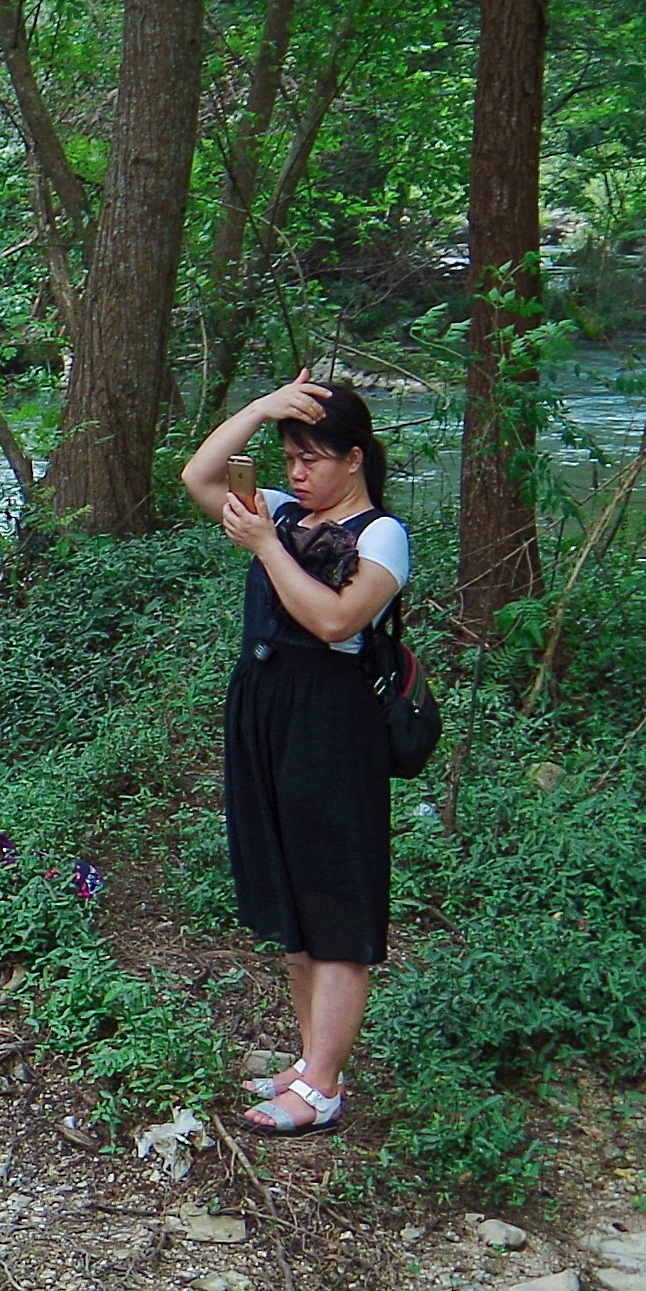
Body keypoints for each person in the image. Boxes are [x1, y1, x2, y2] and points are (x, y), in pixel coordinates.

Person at [181, 371, 411, 1134]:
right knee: (288, 892)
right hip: (263, 708)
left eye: (313, 458)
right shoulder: (277, 510)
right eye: (289, 457)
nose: (297, 473)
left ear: (354, 458)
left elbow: (333, 618)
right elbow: (198, 475)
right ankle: (313, 1060)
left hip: (332, 720)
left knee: (335, 895)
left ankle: (323, 1084)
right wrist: (257, 407)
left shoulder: (380, 534)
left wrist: (264, 546)